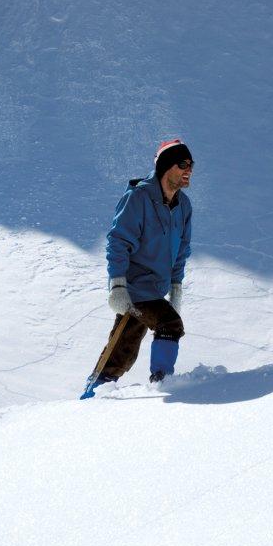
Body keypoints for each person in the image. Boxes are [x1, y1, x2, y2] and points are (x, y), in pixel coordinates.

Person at [94, 139, 194, 387]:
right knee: (169, 324)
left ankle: (94, 392)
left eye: (191, 165)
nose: (188, 170)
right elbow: (118, 241)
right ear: (166, 167)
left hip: (155, 290)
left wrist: (176, 288)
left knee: (121, 352)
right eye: (182, 164)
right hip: (135, 289)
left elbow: (181, 250)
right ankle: (162, 382)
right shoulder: (138, 198)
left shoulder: (184, 206)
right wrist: (117, 286)